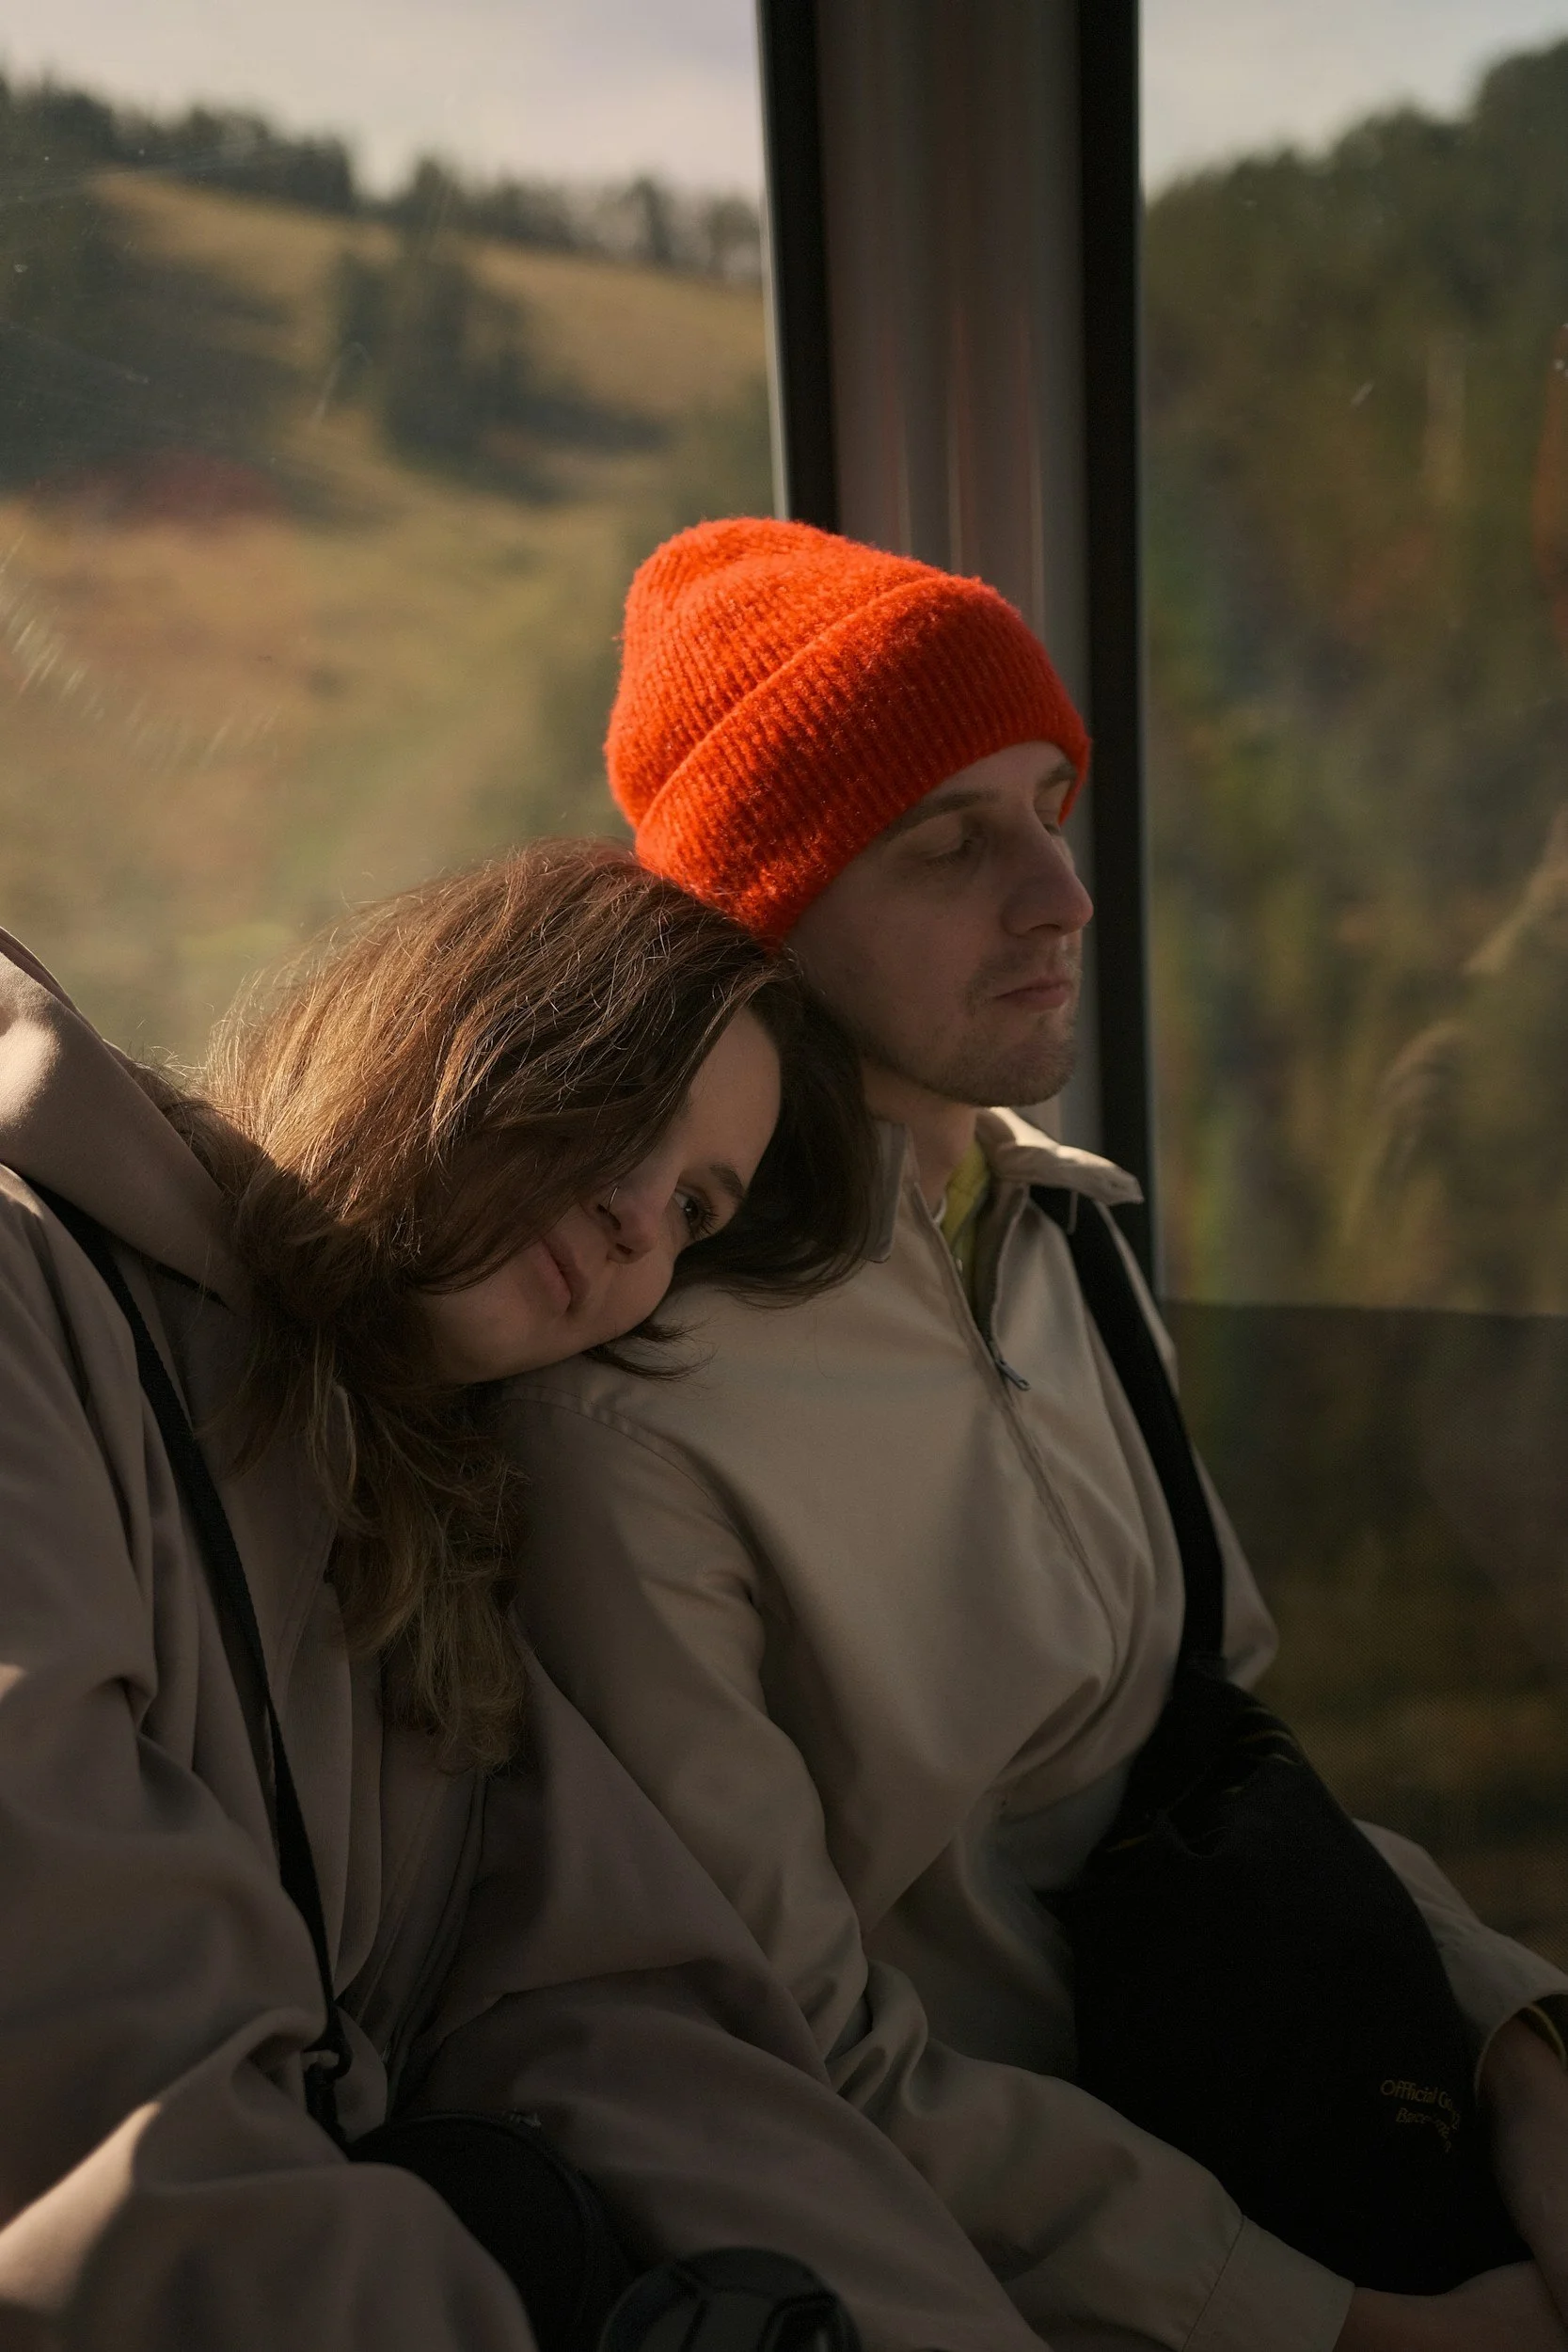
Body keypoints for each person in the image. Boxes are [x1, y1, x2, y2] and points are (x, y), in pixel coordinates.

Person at [506, 522, 1568, 2352]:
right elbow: (792, 2041)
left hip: (1298, 2116)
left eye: (1049, 808)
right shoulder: (633, 1403)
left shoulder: (1060, 1233)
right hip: (1052, 2270)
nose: (1058, 898)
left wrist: (1515, 2047)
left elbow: (1228, 1758)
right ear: (764, 913)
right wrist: (1337, 2325)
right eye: (944, 843)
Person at [0, 839, 1048, 2352]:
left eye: (696, 1209)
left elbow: (643, 2041)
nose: (640, 1223)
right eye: (622, 1108)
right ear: (459, 1028)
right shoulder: (36, 1298)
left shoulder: (423, 1562)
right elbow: (87, 2070)